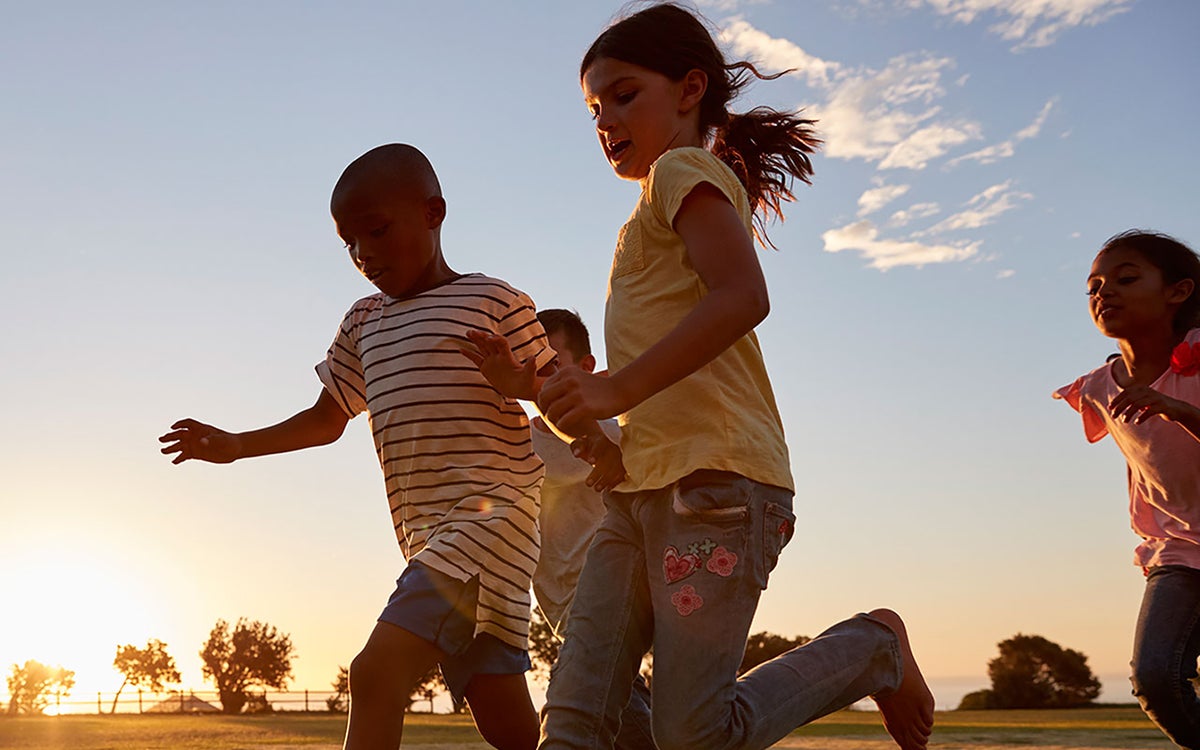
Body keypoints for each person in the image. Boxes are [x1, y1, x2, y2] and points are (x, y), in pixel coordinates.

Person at [468, 5, 935, 750]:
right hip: (636, 494)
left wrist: (615, 388)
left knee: (691, 736)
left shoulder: (682, 173)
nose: (605, 120)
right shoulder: (643, 215)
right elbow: (649, 390)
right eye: (594, 109)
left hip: (718, 489)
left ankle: (872, 646)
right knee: (577, 713)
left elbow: (745, 296)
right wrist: (541, 393)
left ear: (690, 89)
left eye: (623, 95)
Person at [158, 143, 555, 750]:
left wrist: (572, 424)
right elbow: (327, 417)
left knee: (375, 673)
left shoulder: (492, 301)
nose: (364, 254)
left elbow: (557, 392)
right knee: (508, 728)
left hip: (489, 524)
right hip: (428, 538)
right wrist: (237, 445)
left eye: (376, 231)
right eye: (349, 243)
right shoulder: (363, 323)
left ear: (433, 213)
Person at [1055, 229, 1200, 748]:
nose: (1103, 292)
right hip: (1177, 553)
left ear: (1178, 291)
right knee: (1156, 678)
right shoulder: (1098, 387)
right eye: (1093, 286)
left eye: (1125, 278)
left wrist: (1179, 410)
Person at [530, 309, 654, 750]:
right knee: (627, 715)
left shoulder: (614, 430)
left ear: (587, 369)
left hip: (616, 594)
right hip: (561, 605)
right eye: (529, 361)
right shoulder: (517, 440)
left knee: (585, 719)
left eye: (550, 361)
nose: (538, 374)